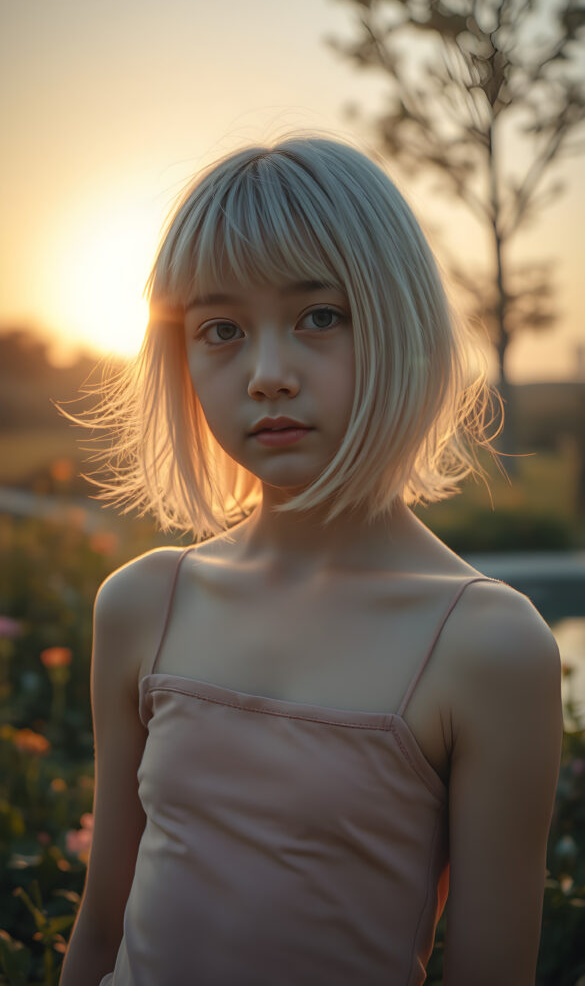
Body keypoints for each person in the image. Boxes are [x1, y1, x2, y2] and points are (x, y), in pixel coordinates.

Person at [59, 135, 563, 986]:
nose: (265, 374)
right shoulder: (144, 603)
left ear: (401, 324)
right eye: (219, 330)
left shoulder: (487, 645)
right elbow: (102, 927)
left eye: (318, 316)